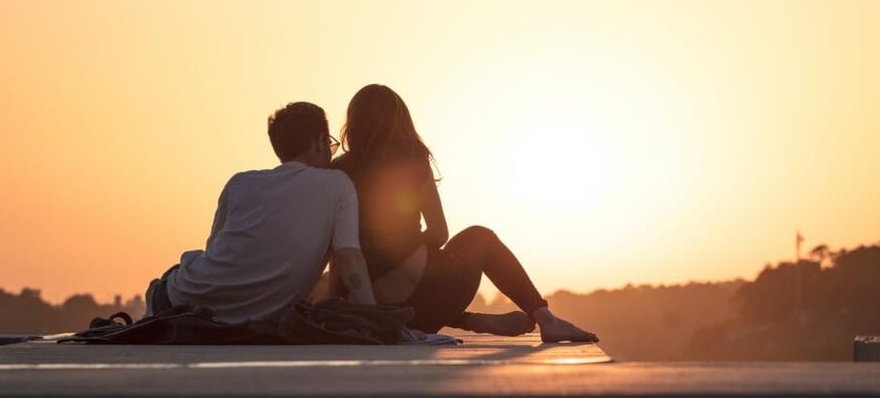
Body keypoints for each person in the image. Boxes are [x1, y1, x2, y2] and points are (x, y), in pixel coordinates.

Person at [331, 84, 598, 342]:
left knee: (409, 279)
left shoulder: (338, 170)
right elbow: (439, 233)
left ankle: (471, 321)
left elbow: (336, 249)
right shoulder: (413, 160)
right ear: (400, 122)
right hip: (424, 299)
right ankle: (546, 320)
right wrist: (409, 251)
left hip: (368, 305)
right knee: (481, 237)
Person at [144, 102, 376, 324]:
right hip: (245, 316)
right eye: (330, 145)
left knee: (175, 276)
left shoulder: (239, 183)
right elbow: (349, 258)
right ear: (320, 141)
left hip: (186, 301)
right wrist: (375, 320)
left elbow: (217, 252)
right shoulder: (338, 185)